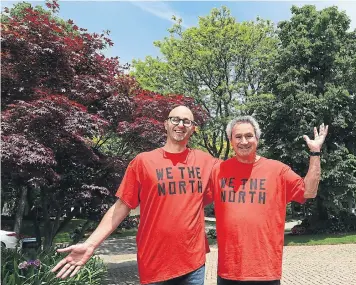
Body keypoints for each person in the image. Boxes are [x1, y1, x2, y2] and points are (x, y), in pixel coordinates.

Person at [51, 105, 218, 285]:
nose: (181, 124)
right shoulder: (143, 161)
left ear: (193, 128)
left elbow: (239, 172)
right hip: (154, 262)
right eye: (175, 119)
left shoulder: (205, 161)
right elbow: (121, 206)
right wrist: (91, 244)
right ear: (166, 124)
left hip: (193, 262)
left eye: (187, 121)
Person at [205, 115, 328, 284]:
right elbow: (191, 201)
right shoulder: (218, 171)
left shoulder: (277, 170)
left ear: (257, 138)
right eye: (238, 137)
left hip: (265, 271)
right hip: (229, 271)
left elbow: (309, 192)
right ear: (230, 140)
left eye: (249, 136)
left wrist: (315, 152)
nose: (244, 141)